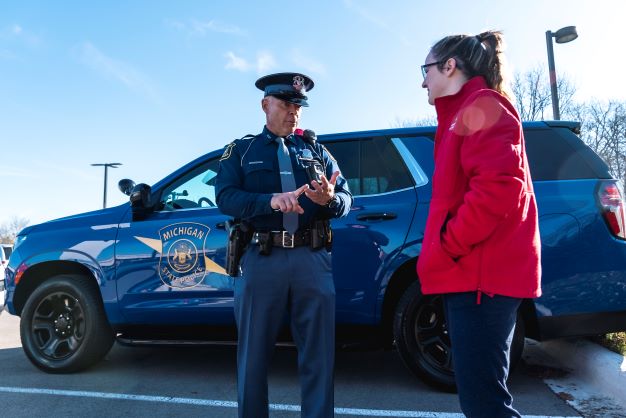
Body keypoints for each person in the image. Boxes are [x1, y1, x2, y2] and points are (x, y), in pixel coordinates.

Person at [416, 31, 541, 418]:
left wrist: (449, 245)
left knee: (485, 403)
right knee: (482, 398)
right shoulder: (462, 115)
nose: (423, 81)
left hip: (479, 279)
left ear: (449, 66)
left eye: (427, 69)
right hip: (472, 277)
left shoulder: (481, 107)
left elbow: (499, 191)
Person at [215, 72, 352, 418]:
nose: (294, 111)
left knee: (319, 356)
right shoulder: (241, 151)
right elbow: (225, 196)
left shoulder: (316, 151)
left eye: (298, 105)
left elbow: (347, 197)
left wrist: (330, 200)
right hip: (263, 259)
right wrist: (270, 201)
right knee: (253, 357)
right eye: (286, 103)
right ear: (265, 105)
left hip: (312, 259)